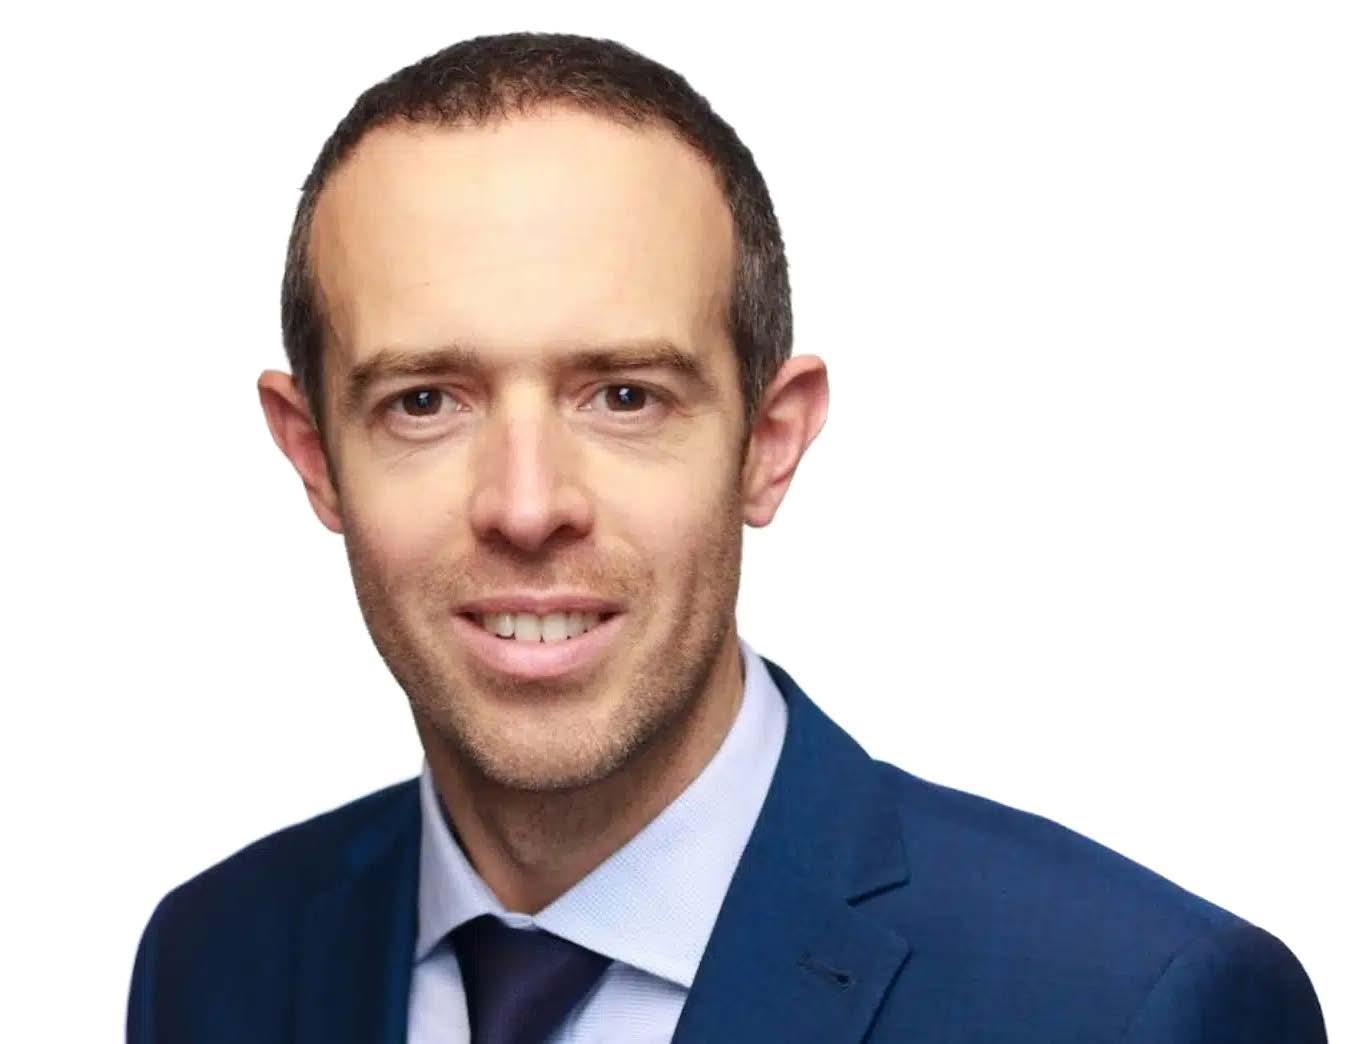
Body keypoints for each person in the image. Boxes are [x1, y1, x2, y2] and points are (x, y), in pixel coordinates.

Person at [126, 31, 1327, 1043]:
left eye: (624, 396)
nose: (527, 505)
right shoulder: (213, 961)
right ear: (312, 454)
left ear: (767, 443)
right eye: (425, 401)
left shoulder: (1133, 1007)